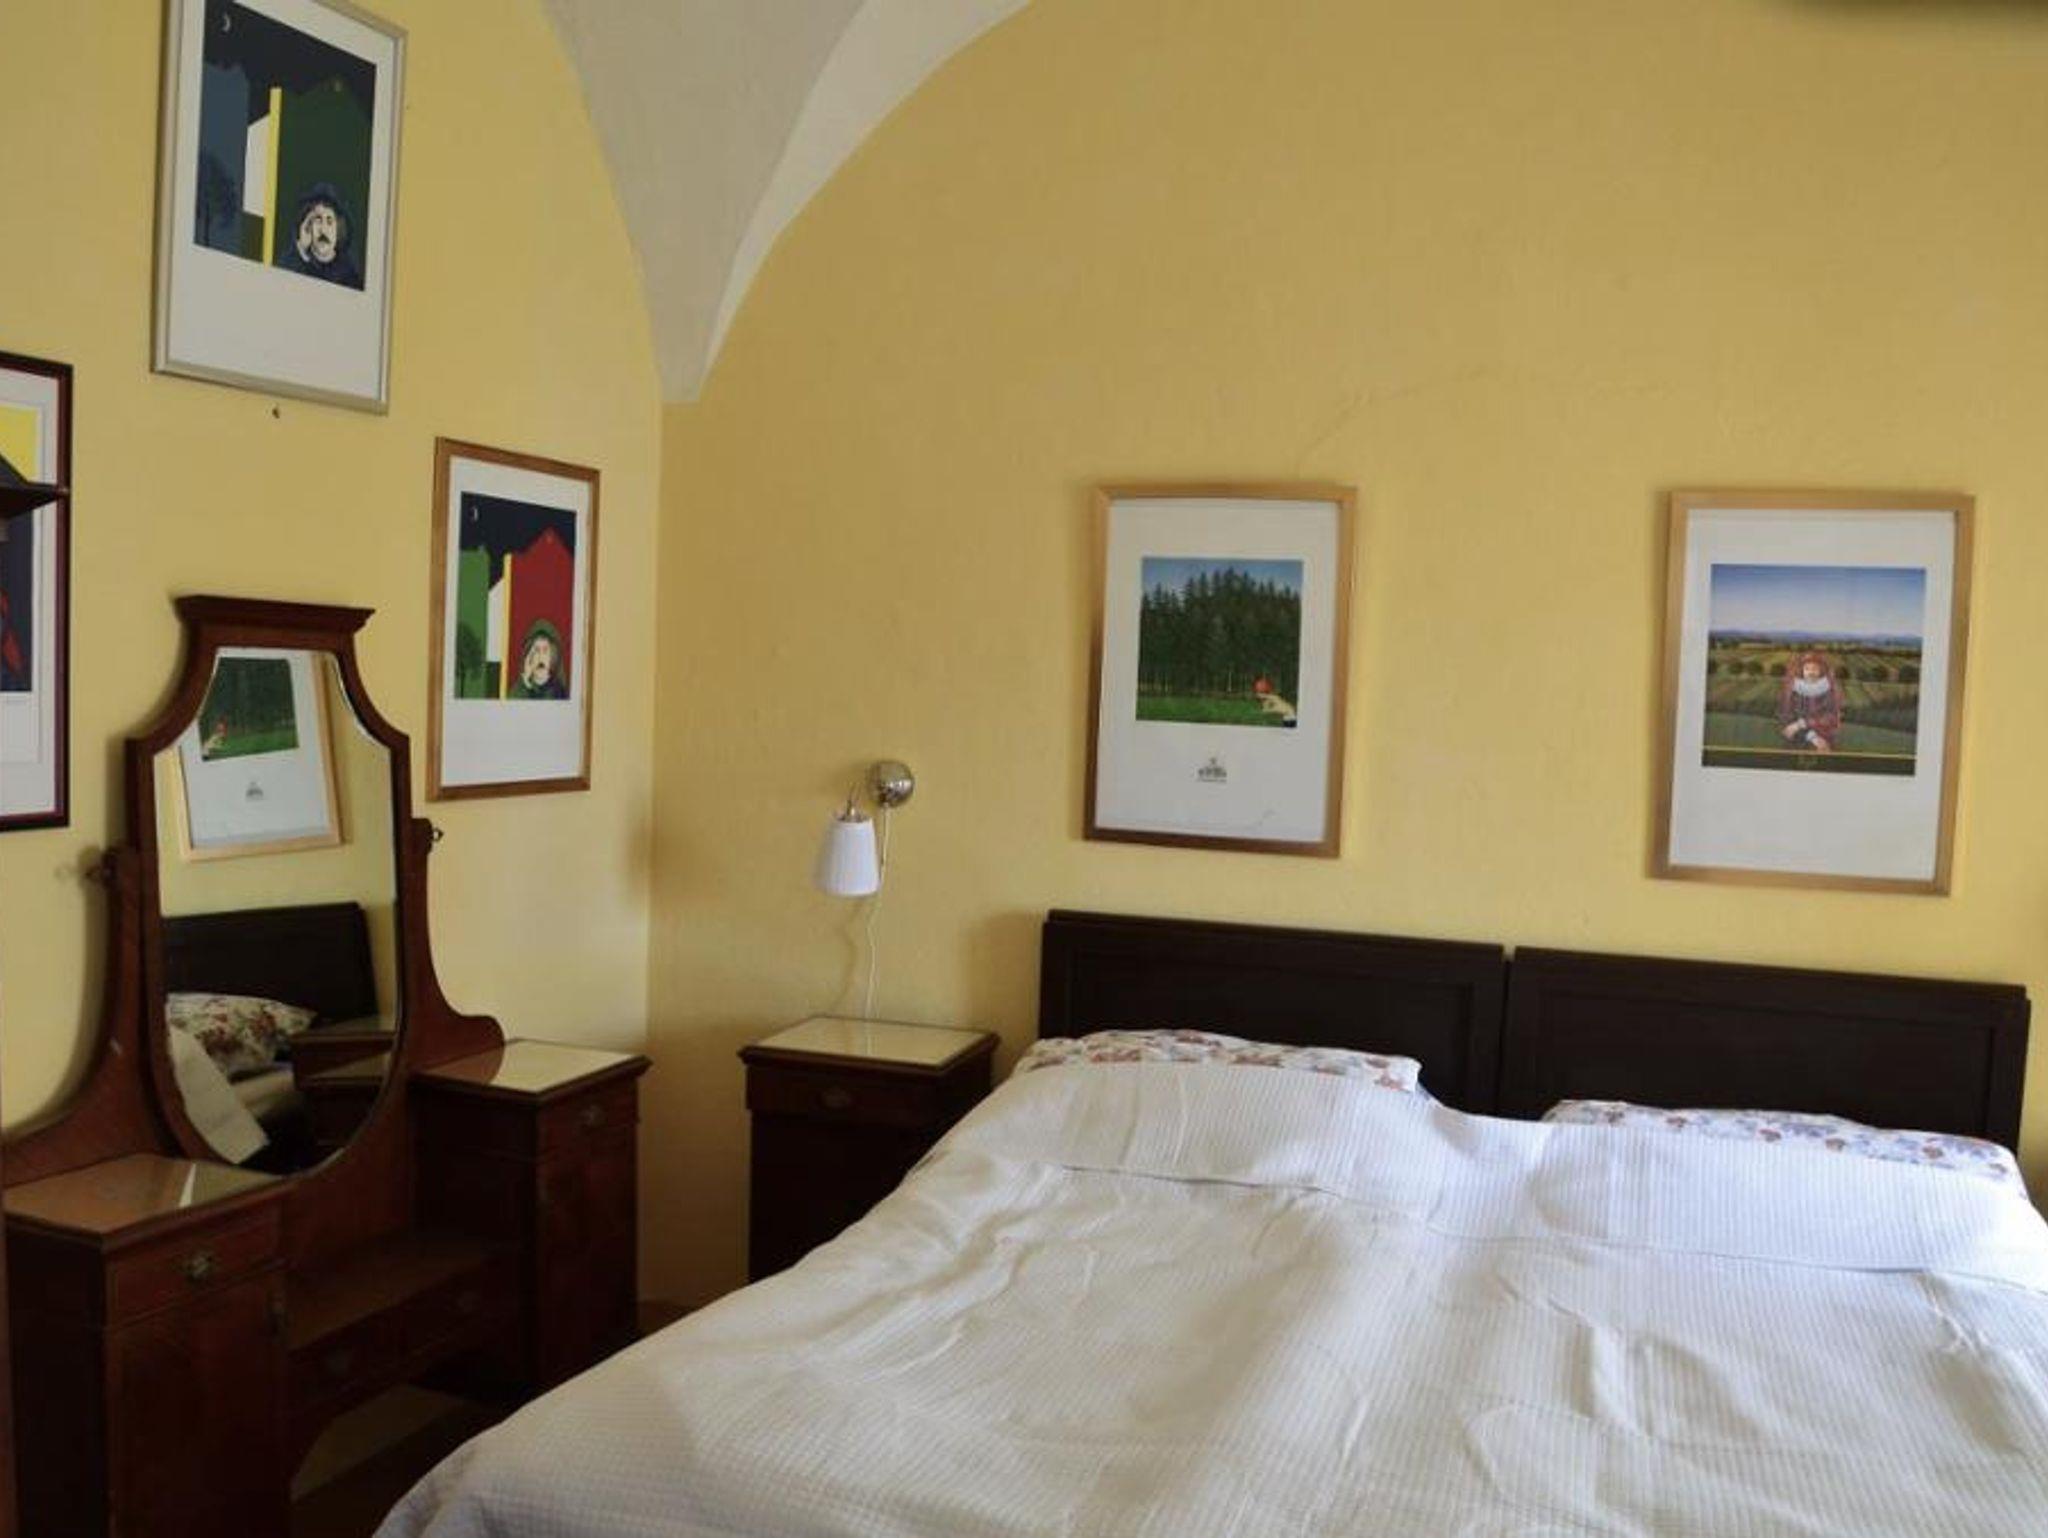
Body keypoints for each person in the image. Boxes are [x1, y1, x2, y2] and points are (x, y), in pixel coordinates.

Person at [275, 182, 363, 288]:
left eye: (329, 221)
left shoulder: (349, 276)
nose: (323, 229)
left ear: (338, 229)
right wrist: (301, 250)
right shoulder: (294, 262)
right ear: (308, 226)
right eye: (318, 220)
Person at [1776, 650, 1841, 753]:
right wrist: (1812, 737)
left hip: (1824, 737)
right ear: (1802, 671)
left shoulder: (1828, 689)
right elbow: (1786, 719)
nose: (1811, 672)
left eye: (1815, 669)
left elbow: (1832, 718)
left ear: (1821, 671)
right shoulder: (1792, 689)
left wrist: (1802, 723)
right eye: (1807, 669)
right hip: (1799, 738)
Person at [513, 622, 569, 700]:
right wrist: (526, 682)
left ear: (553, 657)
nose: (541, 656)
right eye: (536, 650)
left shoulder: (559, 692)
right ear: (528, 657)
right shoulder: (520, 687)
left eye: (545, 650)